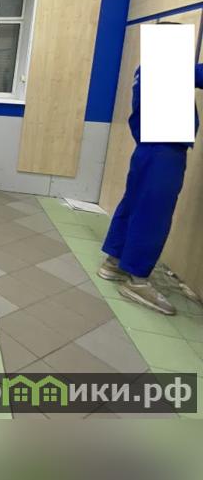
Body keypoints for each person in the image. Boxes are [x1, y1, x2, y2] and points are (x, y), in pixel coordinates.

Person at [98, 24, 203, 315]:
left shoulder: (148, 68)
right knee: (154, 215)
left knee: (133, 205)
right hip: (165, 151)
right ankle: (138, 280)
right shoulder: (168, 68)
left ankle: (115, 261)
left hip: (147, 149)